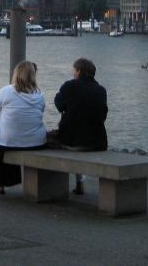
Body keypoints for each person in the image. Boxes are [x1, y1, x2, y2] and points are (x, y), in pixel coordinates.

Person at [0, 61, 47, 194]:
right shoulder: (40, 94)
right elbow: (41, 112)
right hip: (36, 142)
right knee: (9, 124)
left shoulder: (7, 91)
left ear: (16, 73)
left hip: (9, 141)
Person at [51, 57, 108, 194]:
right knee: (79, 132)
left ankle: (51, 186)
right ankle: (79, 183)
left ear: (79, 71)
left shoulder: (69, 86)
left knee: (48, 139)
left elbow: (59, 105)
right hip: (98, 142)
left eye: (74, 70)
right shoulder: (101, 90)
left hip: (71, 141)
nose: (73, 73)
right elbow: (103, 115)